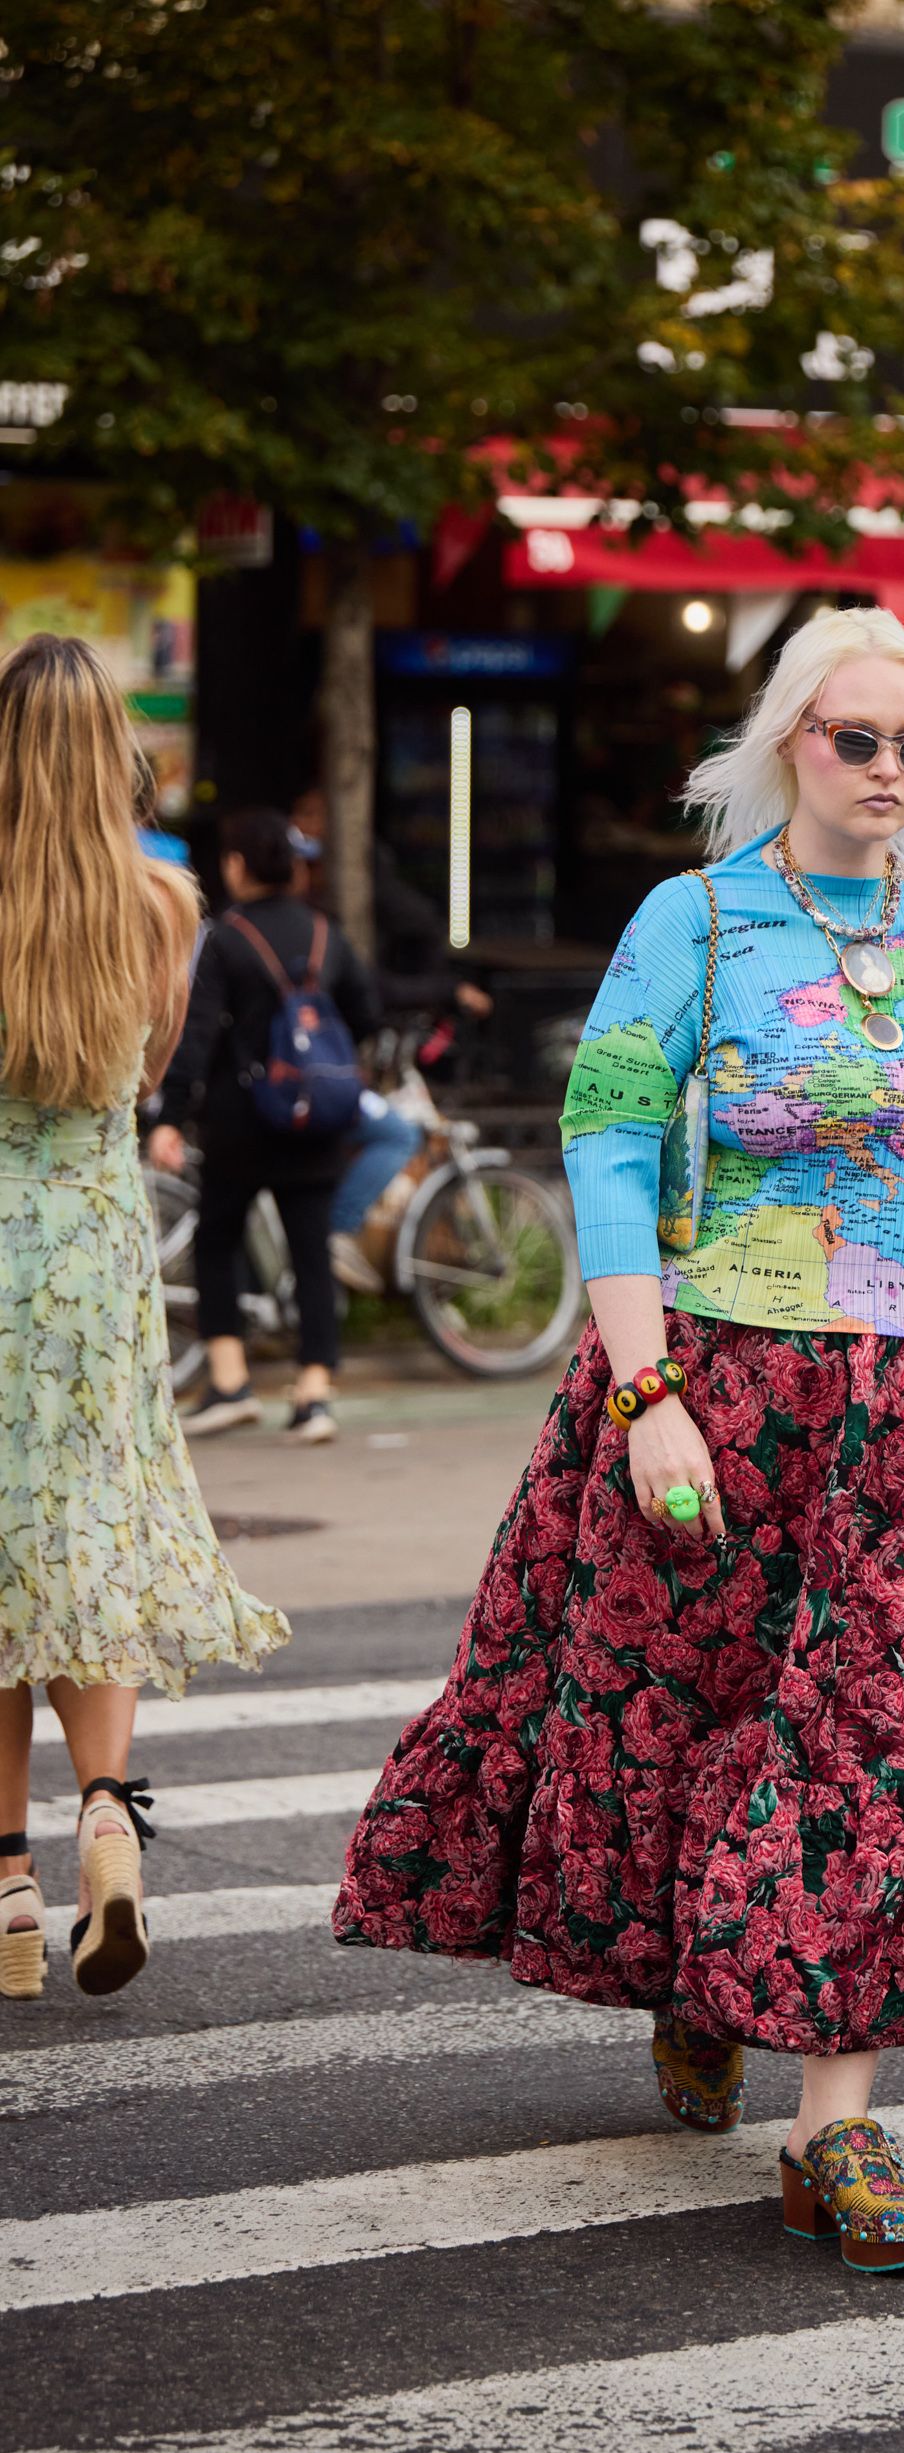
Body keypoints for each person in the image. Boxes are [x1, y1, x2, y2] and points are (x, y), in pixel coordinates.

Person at [335, 605, 904, 2274]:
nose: (890, 771)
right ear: (787, 744)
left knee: (891, 1740)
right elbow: (609, 1142)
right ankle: (713, 1976)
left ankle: (831, 2124)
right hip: (725, 1380)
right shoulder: (689, 926)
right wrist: (641, 1393)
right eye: (857, 740)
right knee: (703, 1705)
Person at [0, 635, 288, 2003]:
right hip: (98, 1253)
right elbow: (151, 1072)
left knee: (0, 1551)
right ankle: (105, 1816)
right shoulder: (166, 899)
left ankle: (3, 1878)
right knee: (91, 1530)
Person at [149, 807, 378, 1446]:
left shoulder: (227, 937)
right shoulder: (326, 932)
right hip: (318, 1125)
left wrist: (170, 1116)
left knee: (218, 1240)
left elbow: (195, 1035)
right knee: (312, 1253)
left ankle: (230, 1382)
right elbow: (365, 1014)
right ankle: (314, 1394)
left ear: (239, 865)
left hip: (241, 1123)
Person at [287, 792, 489, 1293]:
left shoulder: (265, 926)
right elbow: (370, 991)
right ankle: (338, 1233)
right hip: (308, 1082)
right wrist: (447, 991)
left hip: (278, 1079)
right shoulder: (316, 927)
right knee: (397, 1134)